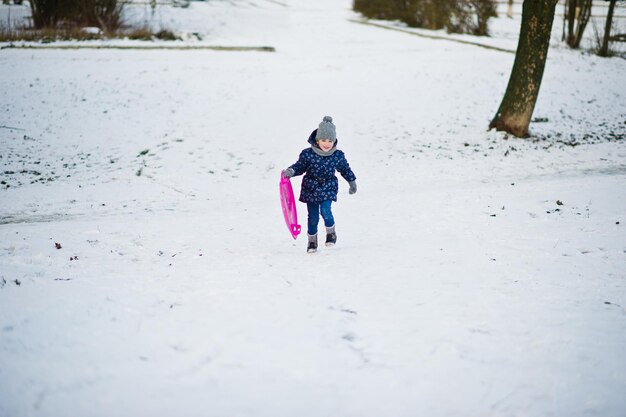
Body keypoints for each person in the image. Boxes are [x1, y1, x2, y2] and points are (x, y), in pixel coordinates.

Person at [283, 116, 357, 253]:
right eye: (323, 140)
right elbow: (300, 166)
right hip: (310, 188)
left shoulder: (337, 155)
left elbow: (345, 169)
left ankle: (331, 233)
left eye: (330, 140)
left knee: (325, 210)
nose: (327, 144)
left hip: (328, 186)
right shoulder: (308, 154)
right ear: (317, 140)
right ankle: (312, 241)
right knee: (313, 217)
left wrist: (352, 182)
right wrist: (291, 171)